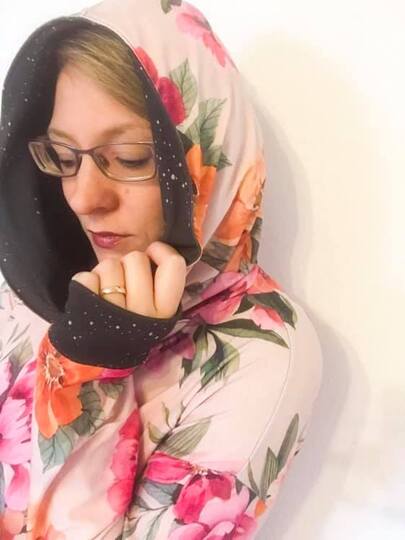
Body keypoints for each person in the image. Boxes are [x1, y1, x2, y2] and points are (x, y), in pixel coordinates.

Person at [0, 0, 323, 538]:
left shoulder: (260, 355)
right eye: (64, 157)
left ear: (205, 155)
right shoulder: (39, 282)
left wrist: (92, 368)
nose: (82, 198)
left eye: (130, 158)